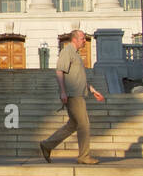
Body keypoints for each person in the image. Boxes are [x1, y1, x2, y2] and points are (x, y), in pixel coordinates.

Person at [39, 29, 106, 166]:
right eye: (82, 39)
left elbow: (77, 77)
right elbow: (59, 72)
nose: (84, 41)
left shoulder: (76, 54)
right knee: (84, 124)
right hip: (73, 95)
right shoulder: (67, 52)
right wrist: (63, 92)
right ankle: (84, 156)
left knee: (73, 125)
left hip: (78, 94)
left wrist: (92, 90)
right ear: (75, 39)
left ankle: (47, 144)